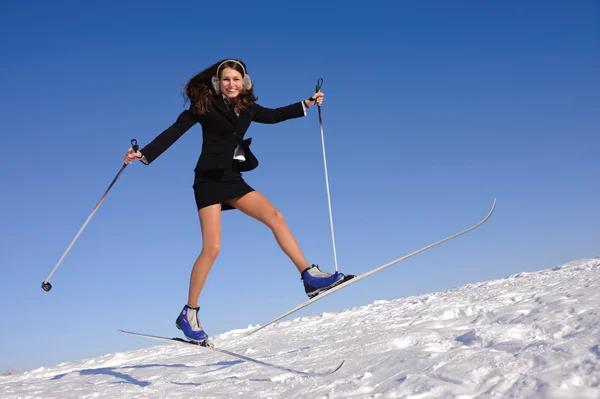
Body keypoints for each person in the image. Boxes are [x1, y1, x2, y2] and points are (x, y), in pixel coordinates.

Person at [124, 58, 351, 345]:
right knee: (212, 248)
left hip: (232, 178)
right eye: (227, 79)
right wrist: (143, 153)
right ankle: (189, 313)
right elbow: (175, 131)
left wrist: (306, 103)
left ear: (245, 82)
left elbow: (275, 115)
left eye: (237, 79)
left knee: (275, 216)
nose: (232, 84)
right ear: (219, 83)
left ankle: (309, 276)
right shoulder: (204, 106)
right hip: (207, 179)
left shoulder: (247, 107)